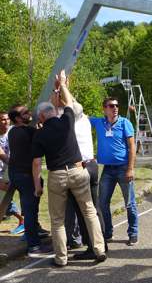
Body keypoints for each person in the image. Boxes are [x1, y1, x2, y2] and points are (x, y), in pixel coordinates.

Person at [31, 70, 107, 267]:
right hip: (77, 170)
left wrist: (36, 185)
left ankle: (61, 258)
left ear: (41, 116)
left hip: (56, 175)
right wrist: (63, 84)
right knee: (90, 211)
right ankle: (99, 249)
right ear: (54, 111)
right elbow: (69, 105)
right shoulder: (67, 121)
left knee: (57, 220)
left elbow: (37, 162)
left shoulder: (39, 135)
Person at [50, 77, 106, 260]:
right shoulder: (80, 119)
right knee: (91, 209)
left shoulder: (71, 119)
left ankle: (94, 247)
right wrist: (60, 89)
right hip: (88, 165)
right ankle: (98, 246)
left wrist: (61, 87)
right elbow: (62, 105)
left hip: (80, 167)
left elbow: (57, 107)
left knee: (87, 211)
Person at [90, 97, 138, 246]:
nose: (115, 108)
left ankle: (133, 233)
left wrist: (130, 169)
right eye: (111, 106)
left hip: (123, 168)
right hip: (108, 170)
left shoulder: (125, 123)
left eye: (117, 105)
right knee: (103, 203)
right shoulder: (99, 122)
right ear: (104, 108)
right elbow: (79, 115)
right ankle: (108, 233)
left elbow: (132, 148)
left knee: (129, 203)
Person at [7, 104, 50, 256]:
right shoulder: (29, 131)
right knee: (31, 211)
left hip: (16, 175)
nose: (29, 113)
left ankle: (34, 233)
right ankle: (34, 246)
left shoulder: (12, 132)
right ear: (18, 118)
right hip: (27, 176)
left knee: (29, 208)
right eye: (25, 113)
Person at [0, 111, 25, 235]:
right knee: (4, 199)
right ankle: (22, 220)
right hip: (3, 171)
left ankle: (23, 221)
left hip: (13, 170)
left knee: (6, 198)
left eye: (6, 119)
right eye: (2, 120)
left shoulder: (13, 131)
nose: (5, 122)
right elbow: (3, 156)